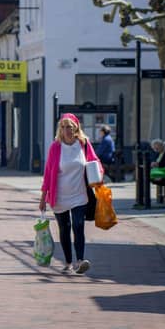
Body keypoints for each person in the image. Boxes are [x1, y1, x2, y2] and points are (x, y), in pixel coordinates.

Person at [39, 113, 102, 275]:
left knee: (78, 225)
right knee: (64, 228)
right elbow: (48, 173)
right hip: (59, 195)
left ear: (76, 129)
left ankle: (80, 261)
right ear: (60, 129)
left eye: (70, 127)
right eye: (63, 127)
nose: (66, 130)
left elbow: (95, 162)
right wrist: (43, 197)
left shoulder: (84, 144)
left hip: (79, 194)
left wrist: (98, 176)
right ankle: (67, 262)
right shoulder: (55, 147)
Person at [150, 138, 165, 204]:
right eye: (154, 149)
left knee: (147, 176)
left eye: (157, 149)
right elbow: (155, 160)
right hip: (159, 171)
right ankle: (143, 198)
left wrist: (158, 165)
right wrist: (153, 163)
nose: (156, 150)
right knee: (144, 175)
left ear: (161, 145)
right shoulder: (159, 152)